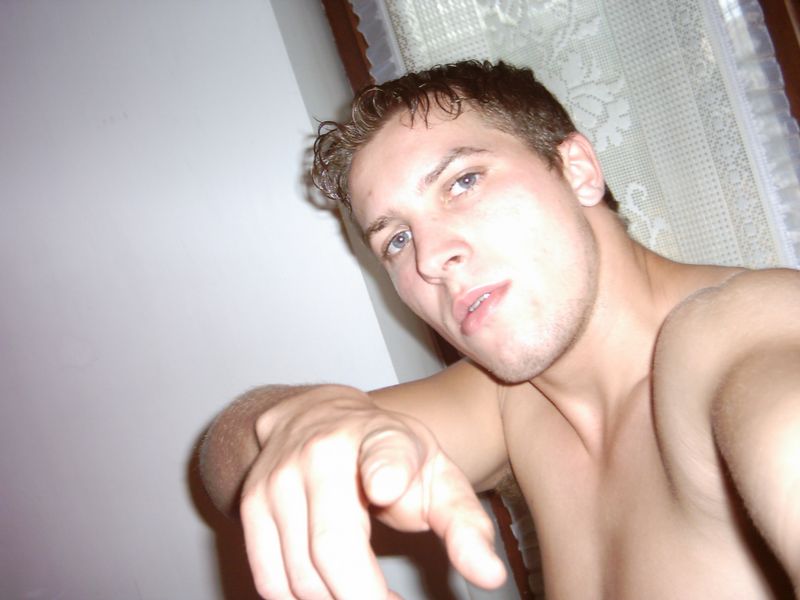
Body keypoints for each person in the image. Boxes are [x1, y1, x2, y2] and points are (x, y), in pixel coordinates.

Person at [199, 61, 800, 599]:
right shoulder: (514, 401)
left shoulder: (744, 337)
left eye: (463, 182)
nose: (431, 257)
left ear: (577, 170)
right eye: (397, 239)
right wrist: (309, 417)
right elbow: (231, 463)